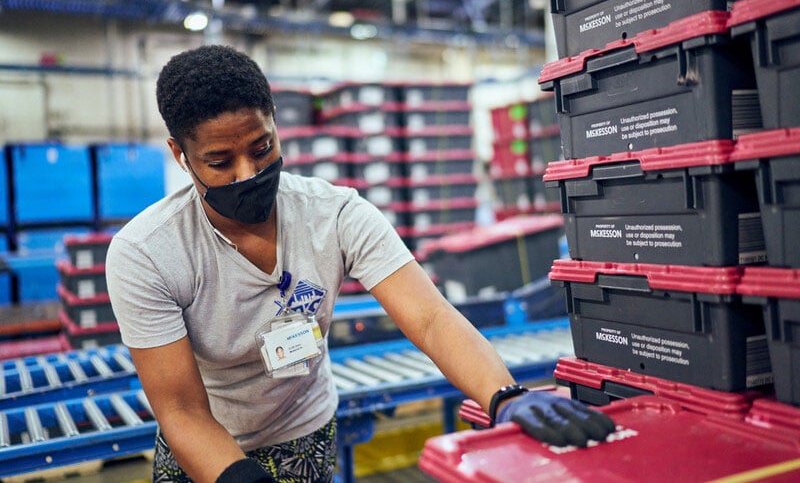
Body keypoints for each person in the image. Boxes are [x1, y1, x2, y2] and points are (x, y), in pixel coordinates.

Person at [106, 44, 614, 483]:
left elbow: (432, 319)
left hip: (303, 430)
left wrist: (503, 396)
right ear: (180, 155)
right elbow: (180, 409)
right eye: (221, 162)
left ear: (276, 125)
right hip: (205, 447)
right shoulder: (148, 253)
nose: (249, 172)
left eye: (262, 148)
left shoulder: (335, 214)